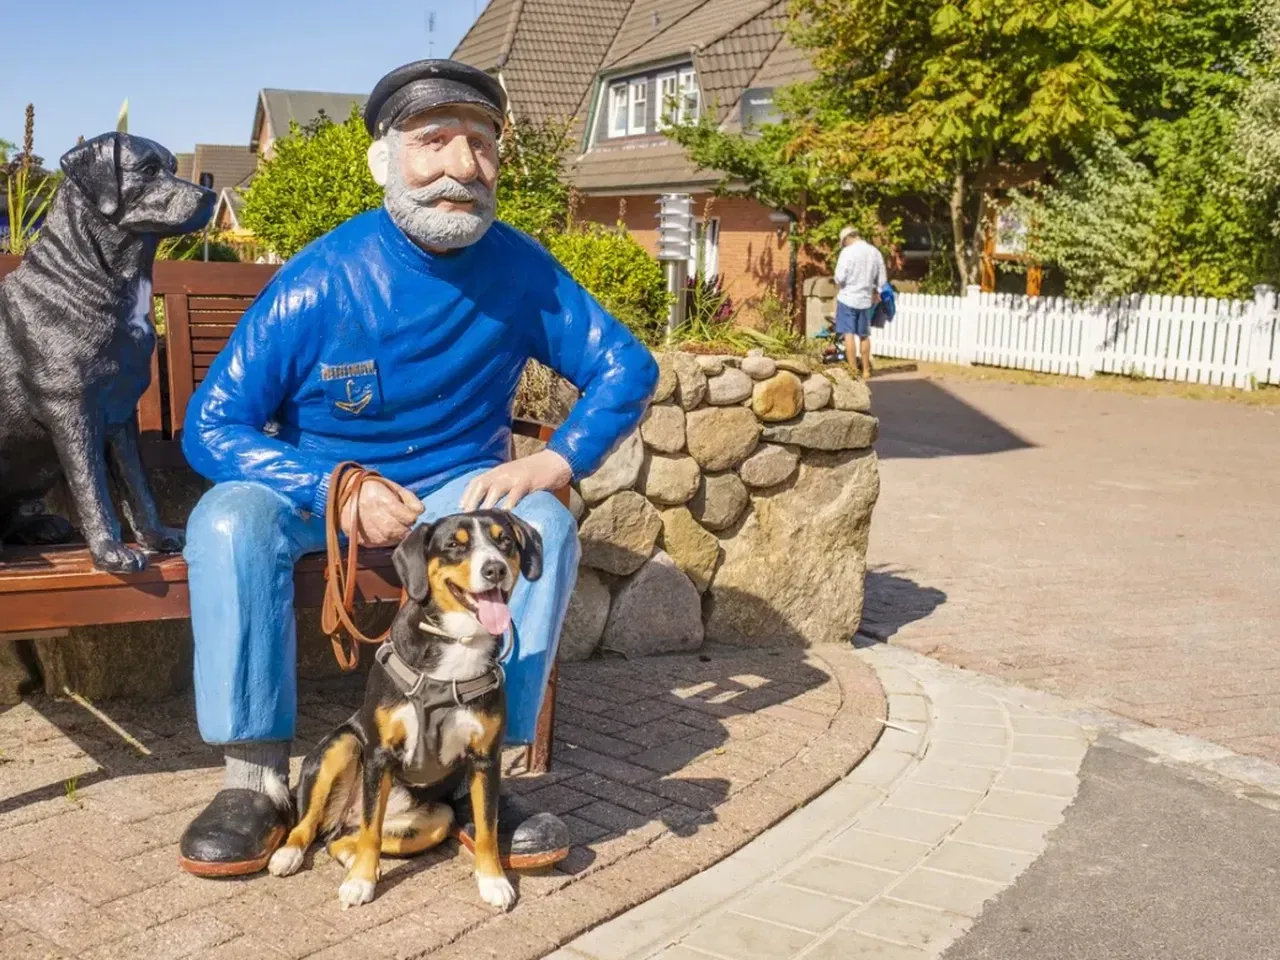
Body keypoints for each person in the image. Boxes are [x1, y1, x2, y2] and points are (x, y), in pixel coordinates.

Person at [175, 59, 659, 877]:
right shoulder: (319, 281)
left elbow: (627, 367)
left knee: (542, 524)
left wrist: (558, 459)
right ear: (384, 161)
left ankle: (486, 774)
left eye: (482, 144)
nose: (462, 167)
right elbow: (211, 424)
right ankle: (254, 779)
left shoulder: (523, 272)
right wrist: (331, 487)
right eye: (434, 141)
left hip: (457, 491)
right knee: (226, 522)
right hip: (320, 489)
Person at [833, 225, 887, 379]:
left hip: (847, 298)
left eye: (843, 242)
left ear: (846, 238)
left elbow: (839, 277)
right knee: (864, 335)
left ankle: (852, 371)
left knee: (848, 334)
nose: (843, 245)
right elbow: (882, 279)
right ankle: (866, 370)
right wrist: (875, 289)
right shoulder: (874, 252)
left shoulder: (847, 252)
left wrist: (839, 282)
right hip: (865, 300)